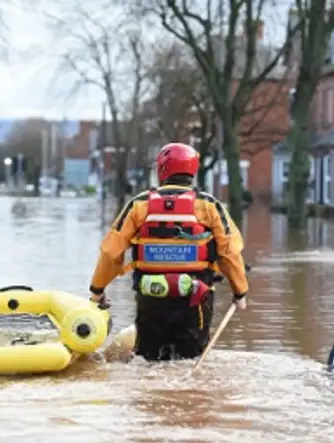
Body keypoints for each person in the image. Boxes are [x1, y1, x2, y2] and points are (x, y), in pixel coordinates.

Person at [88, 142, 249, 362]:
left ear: (161, 170)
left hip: (150, 294)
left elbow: (110, 251)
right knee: (190, 360)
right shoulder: (209, 205)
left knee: (150, 361)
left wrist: (97, 290)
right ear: (193, 170)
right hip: (195, 296)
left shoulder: (138, 204)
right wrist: (240, 291)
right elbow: (230, 252)